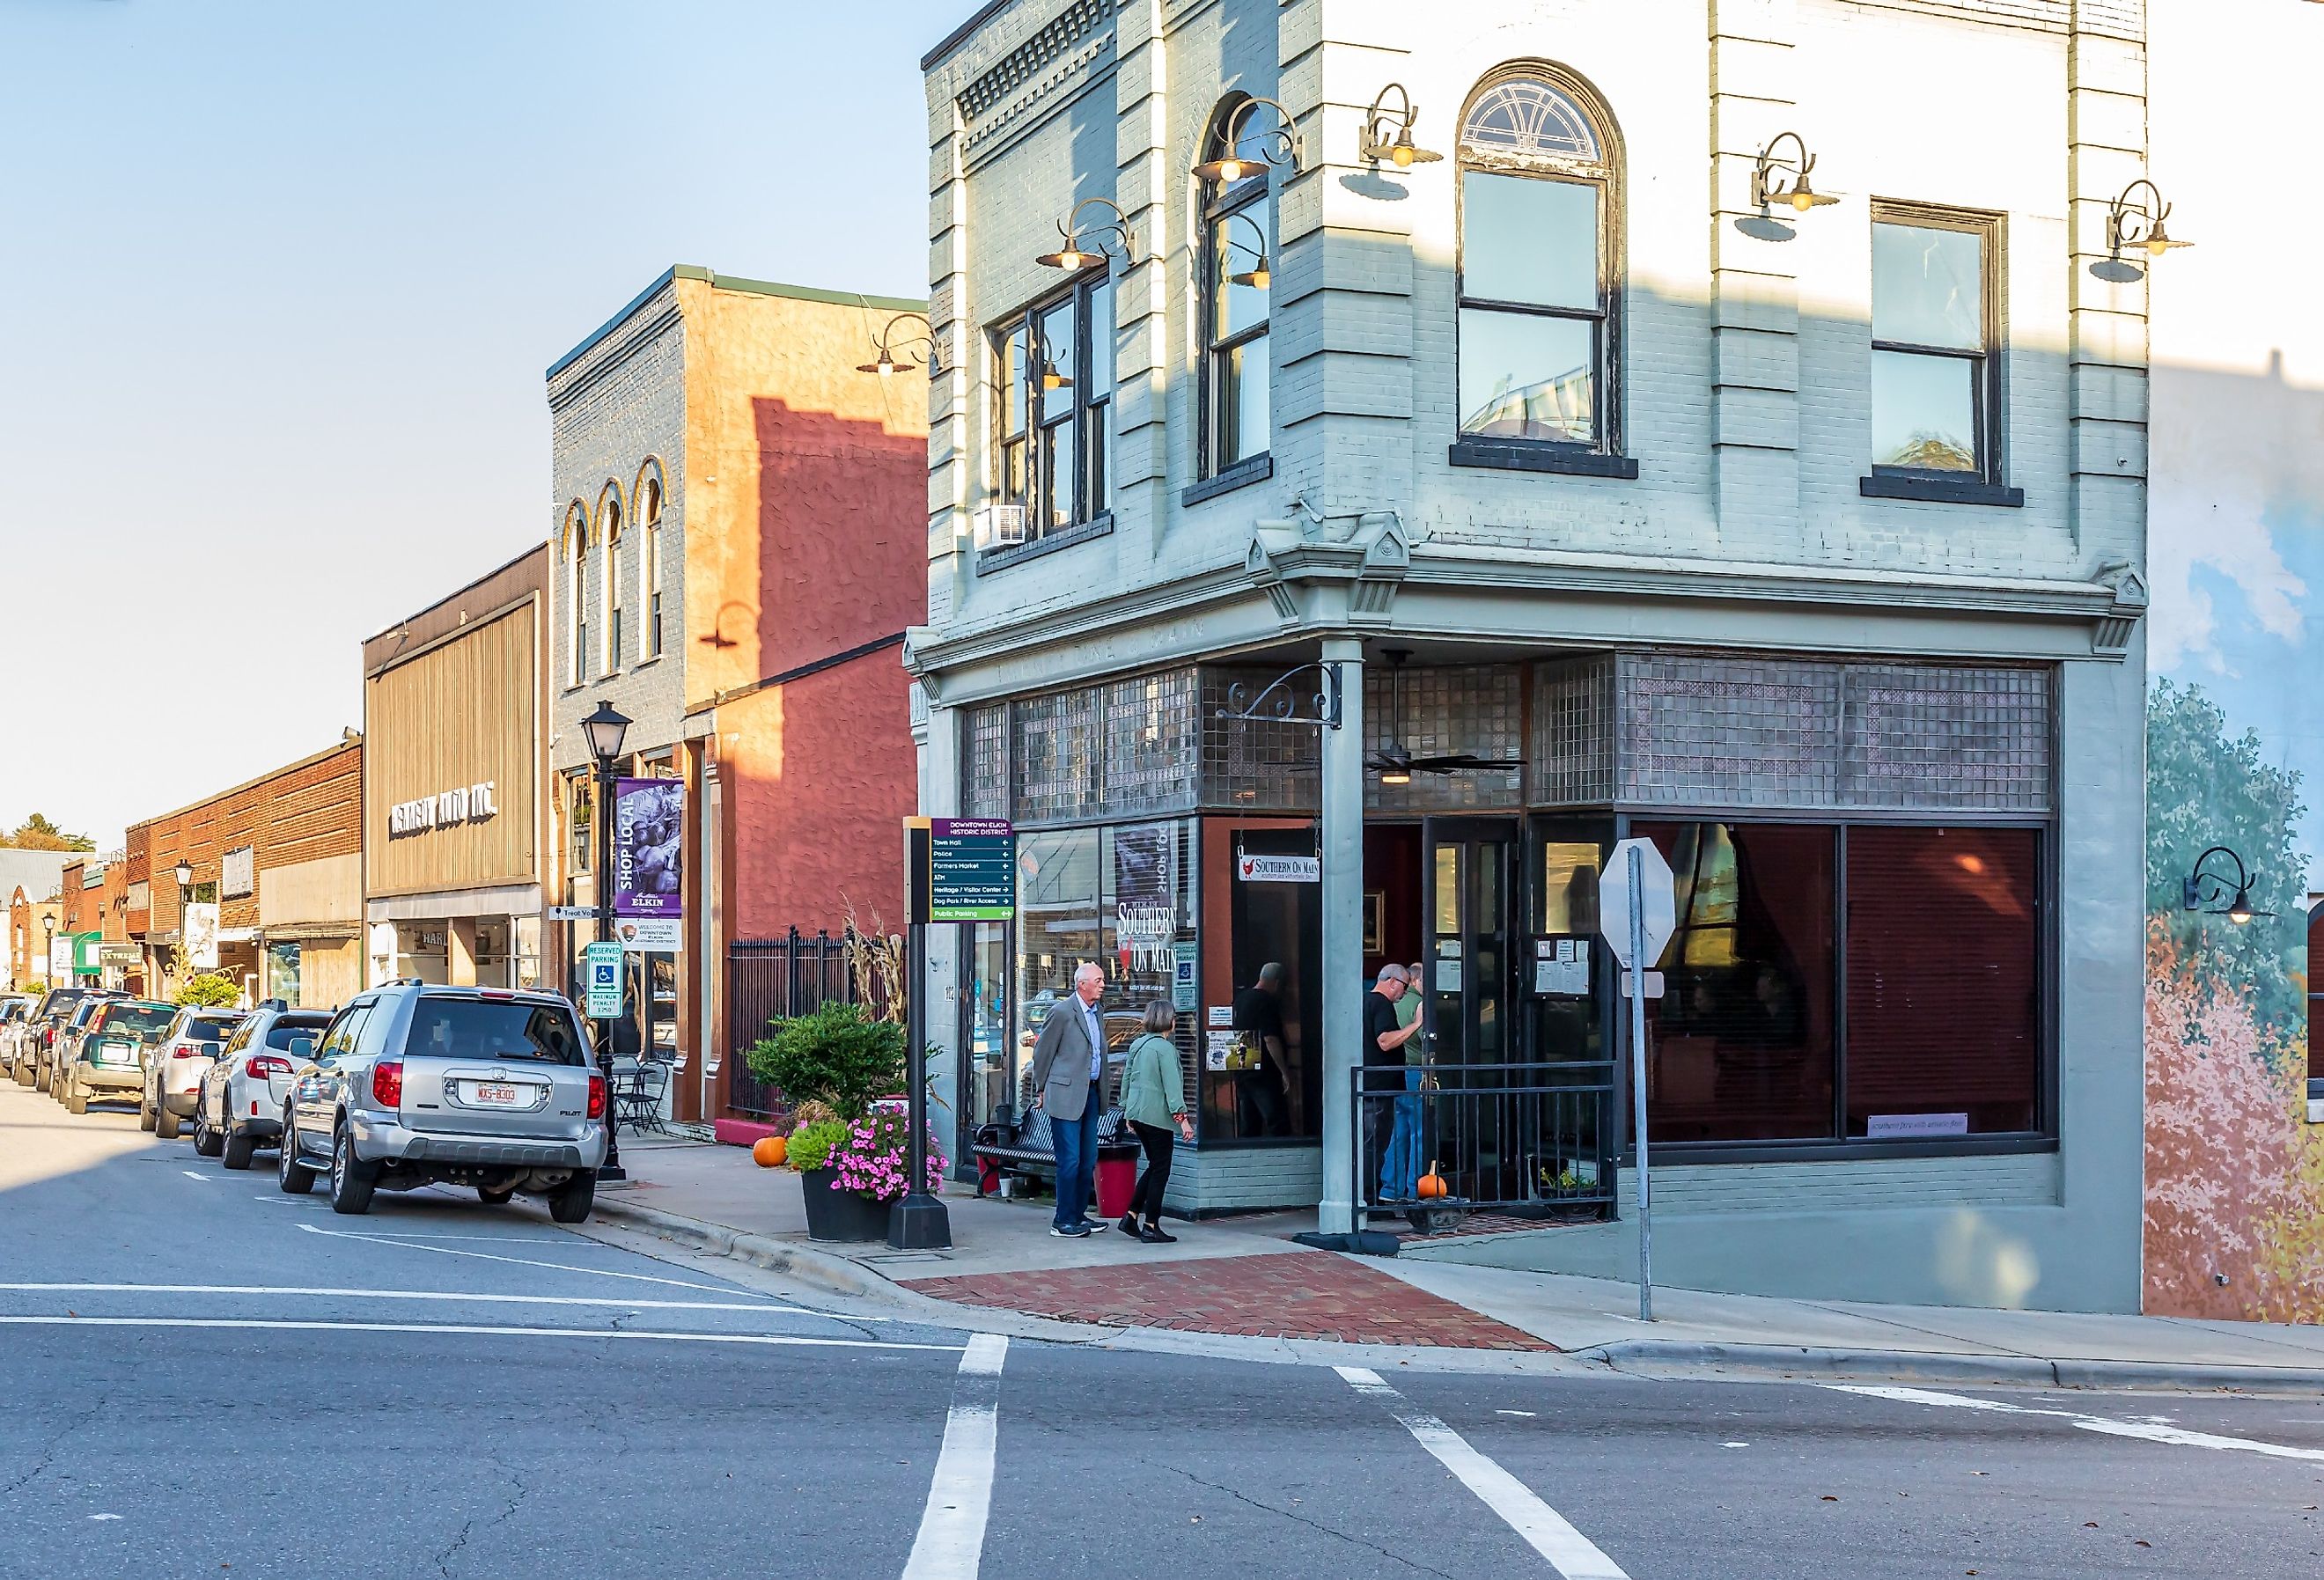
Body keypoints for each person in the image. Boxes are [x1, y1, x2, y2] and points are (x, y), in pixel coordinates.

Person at [1028, 960, 1111, 1238]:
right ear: (1081, 984)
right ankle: (1062, 1220)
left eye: (1102, 980)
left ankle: (1078, 1215)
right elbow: (1043, 1052)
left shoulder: (1097, 1012)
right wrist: (1040, 1088)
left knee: (1088, 1158)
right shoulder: (1062, 1012)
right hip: (1065, 1093)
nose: (1103, 985)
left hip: (1091, 1092)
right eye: (1098, 980)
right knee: (1070, 1159)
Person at [1116, 1000, 1194, 1243]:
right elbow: (1172, 1086)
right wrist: (1182, 1119)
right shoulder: (1165, 1049)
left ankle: (1131, 1215)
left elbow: (1127, 1078)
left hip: (1138, 1114)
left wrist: (1127, 1111)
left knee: (1153, 1165)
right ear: (1169, 1021)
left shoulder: (1137, 1045)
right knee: (1161, 1169)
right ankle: (1151, 1225)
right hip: (1156, 1116)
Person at [1360, 965, 1420, 1209]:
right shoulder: (1381, 1004)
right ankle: (1367, 1200)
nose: (1404, 994)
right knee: (1374, 1145)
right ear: (1393, 982)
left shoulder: (1365, 1001)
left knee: (1372, 1144)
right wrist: (1416, 1024)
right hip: (1379, 1087)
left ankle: (1367, 1198)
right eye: (1404, 987)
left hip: (1372, 1085)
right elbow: (1385, 1041)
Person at [1379, 959, 1428, 1201]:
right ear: (1416, 980)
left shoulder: (1392, 1004)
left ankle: (1390, 1189)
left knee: (1398, 1133)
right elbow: (1427, 1040)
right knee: (1419, 1133)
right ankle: (1415, 1190)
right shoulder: (1418, 1004)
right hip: (1416, 1074)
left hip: (1396, 1074)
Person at [1231, 962, 1290, 1136]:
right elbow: (1270, 1039)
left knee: (1249, 1124)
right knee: (1276, 1120)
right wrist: (1284, 1071)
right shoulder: (1266, 1001)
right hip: (1264, 1072)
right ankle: (1281, 1159)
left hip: (1242, 1067)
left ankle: (1248, 1158)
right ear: (1277, 983)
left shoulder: (1240, 999)